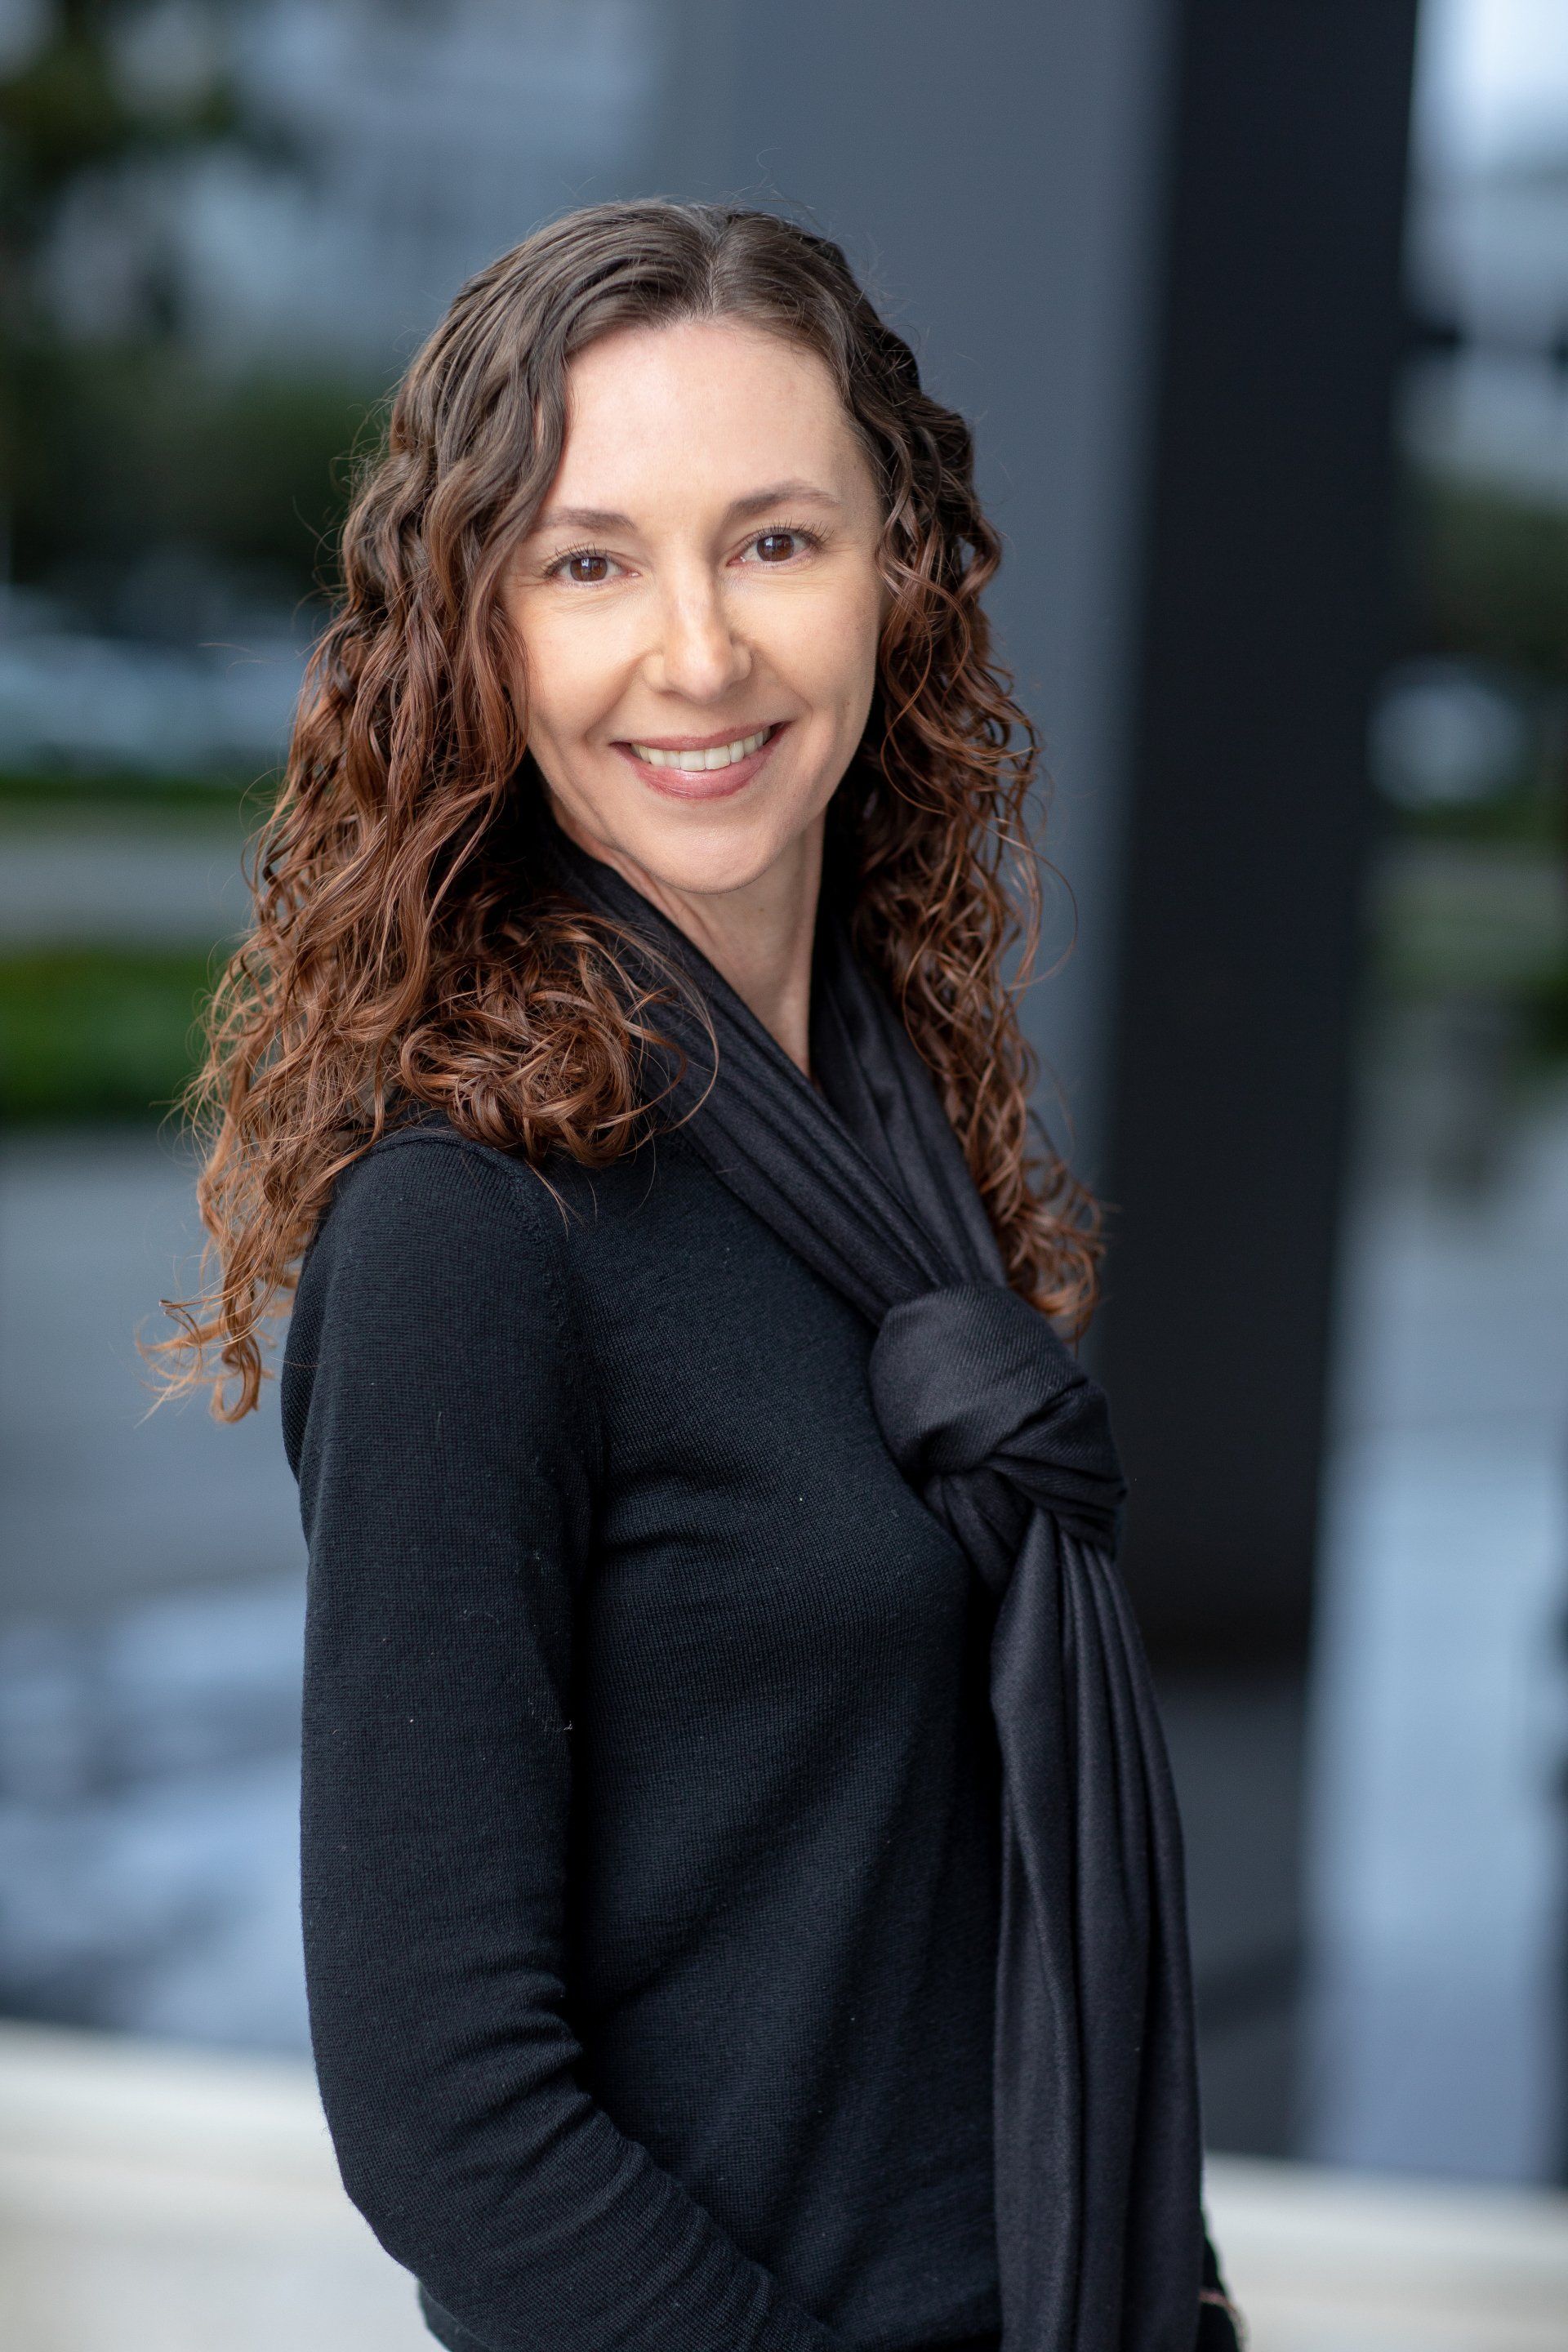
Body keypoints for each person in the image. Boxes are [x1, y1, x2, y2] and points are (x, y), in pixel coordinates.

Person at [164, 200, 1244, 2352]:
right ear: (479, 637)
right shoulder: (469, 1238)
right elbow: (450, 2116)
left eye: (773, 541)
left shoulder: (893, 1140)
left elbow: (993, 1903)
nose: (700, 654)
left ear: (899, 579)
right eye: (589, 562)